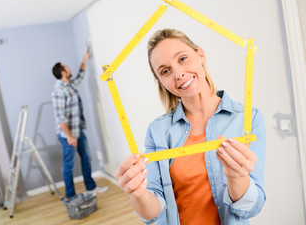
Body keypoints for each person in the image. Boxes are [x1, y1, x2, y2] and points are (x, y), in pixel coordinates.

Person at [115, 28, 266, 224]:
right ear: (161, 81)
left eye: (182, 58)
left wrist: (236, 177)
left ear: (200, 55)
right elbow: (154, 212)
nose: (178, 73)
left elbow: (253, 208)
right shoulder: (157, 131)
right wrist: (137, 193)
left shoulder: (248, 119)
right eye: (165, 71)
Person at [51, 50, 108, 199]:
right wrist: (69, 137)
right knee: (69, 165)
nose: (69, 68)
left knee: (86, 158)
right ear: (63, 72)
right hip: (67, 134)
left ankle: (91, 187)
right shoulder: (58, 91)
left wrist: (84, 60)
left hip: (78, 130)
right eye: (67, 67)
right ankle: (70, 196)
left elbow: (80, 77)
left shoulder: (69, 85)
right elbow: (60, 118)